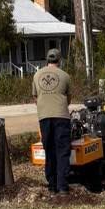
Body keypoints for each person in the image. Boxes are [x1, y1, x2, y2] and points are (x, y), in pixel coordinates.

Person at [33, 48, 72, 199]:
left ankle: (52, 186)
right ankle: (63, 187)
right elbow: (68, 99)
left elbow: (35, 98)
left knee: (49, 150)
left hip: (44, 117)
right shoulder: (65, 76)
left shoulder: (37, 75)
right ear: (59, 60)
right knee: (62, 151)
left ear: (47, 60)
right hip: (61, 117)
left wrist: (45, 108)